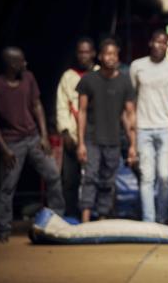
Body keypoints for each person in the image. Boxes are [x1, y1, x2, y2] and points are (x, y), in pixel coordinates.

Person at [0, 47, 65, 242]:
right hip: (12, 142)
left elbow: (37, 105)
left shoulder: (28, 78)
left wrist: (44, 136)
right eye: (22, 61)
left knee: (53, 175)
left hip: (33, 138)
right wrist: (4, 149)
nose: (25, 64)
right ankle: (4, 230)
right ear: (12, 65)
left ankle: (58, 222)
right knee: (7, 187)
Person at [76, 38, 137, 223]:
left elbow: (129, 114)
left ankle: (102, 217)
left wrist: (133, 144)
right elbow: (82, 111)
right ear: (101, 56)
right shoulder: (88, 80)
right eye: (107, 54)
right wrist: (80, 143)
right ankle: (85, 218)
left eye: (114, 54)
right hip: (92, 138)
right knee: (90, 177)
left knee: (107, 181)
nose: (111, 58)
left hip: (114, 139)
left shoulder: (125, 82)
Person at [130, 30, 168, 223]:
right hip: (143, 128)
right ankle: (148, 221)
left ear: (167, 45)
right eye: (156, 41)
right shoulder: (137, 66)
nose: (159, 45)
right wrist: (132, 130)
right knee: (147, 177)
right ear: (150, 43)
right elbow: (132, 101)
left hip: (167, 127)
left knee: (164, 175)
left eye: (164, 42)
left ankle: (161, 218)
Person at [56, 37, 96, 218]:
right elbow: (62, 105)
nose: (84, 56)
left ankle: (97, 215)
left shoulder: (99, 73)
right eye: (80, 52)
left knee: (96, 178)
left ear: (94, 54)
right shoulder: (68, 76)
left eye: (87, 52)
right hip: (72, 134)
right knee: (70, 180)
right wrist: (65, 132)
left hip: (95, 135)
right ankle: (70, 216)